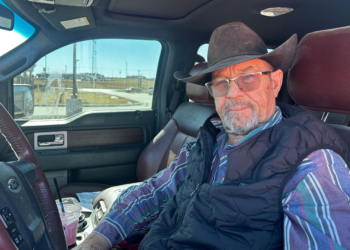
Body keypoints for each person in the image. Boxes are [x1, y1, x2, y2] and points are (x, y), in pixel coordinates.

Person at [75, 22, 350, 250]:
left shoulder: (312, 163)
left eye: (248, 77)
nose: (233, 93)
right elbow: (156, 190)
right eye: (221, 83)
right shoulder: (210, 139)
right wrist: (98, 239)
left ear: (275, 82)